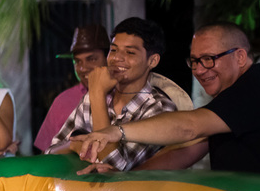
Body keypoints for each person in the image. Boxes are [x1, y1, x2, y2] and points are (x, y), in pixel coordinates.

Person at [71, 22, 260, 176]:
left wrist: (115, 131)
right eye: (194, 61)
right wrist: (125, 178)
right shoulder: (229, 106)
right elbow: (184, 152)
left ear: (240, 57)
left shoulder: (254, 90)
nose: (199, 69)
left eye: (208, 59)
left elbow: (189, 127)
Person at [48, 17, 177, 172]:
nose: (116, 58)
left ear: (153, 61)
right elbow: (50, 152)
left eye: (130, 52)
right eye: (113, 50)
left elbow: (116, 169)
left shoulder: (159, 108)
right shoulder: (93, 98)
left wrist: (97, 93)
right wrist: (74, 145)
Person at [32, 24, 111, 152]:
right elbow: (46, 152)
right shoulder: (62, 101)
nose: (83, 68)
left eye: (91, 59)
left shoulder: (123, 95)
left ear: (108, 59)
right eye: (77, 61)